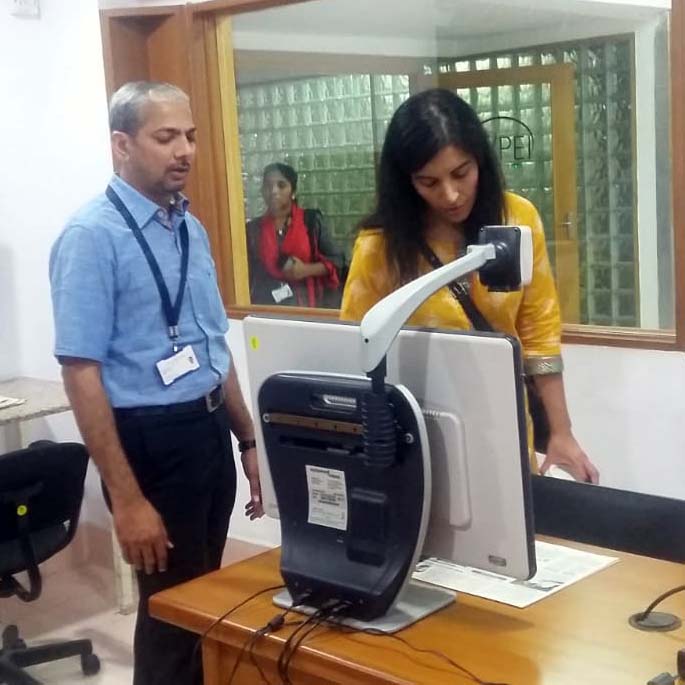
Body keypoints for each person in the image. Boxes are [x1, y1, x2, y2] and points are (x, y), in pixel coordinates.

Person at [49, 81, 264, 685]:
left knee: (204, 599)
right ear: (122, 144)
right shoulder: (91, 236)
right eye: (166, 137)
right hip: (149, 441)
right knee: (170, 613)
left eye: (190, 136)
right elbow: (81, 373)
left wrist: (247, 440)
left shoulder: (188, 228)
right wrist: (127, 501)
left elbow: (211, 347)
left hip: (207, 430)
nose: (185, 150)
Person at [340, 88, 599, 484]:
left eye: (461, 173)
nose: (450, 195)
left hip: (505, 422)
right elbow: (355, 349)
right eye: (429, 182)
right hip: (420, 432)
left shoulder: (516, 218)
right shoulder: (380, 247)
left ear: (480, 159)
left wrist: (561, 433)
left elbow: (539, 330)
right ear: (406, 181)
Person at [246, 162, 343, 307]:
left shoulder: (310, 221)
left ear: (293, 191)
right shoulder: (253, 229)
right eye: (268, 186)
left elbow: (338, 261)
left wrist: (305, 270)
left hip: (310, 307)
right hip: (268, 309)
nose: (274, 191)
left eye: (281, 185)